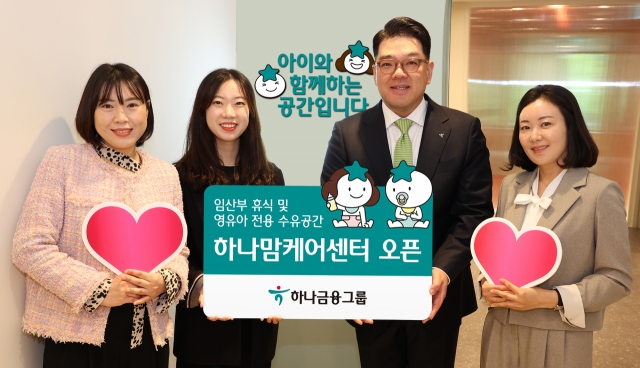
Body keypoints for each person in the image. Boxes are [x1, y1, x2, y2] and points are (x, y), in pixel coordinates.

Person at [321, 16, 494, 368]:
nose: (399, 73)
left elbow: (473, 212)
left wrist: (442, 270)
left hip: (438, 295)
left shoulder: (463, 130)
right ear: (375, 71)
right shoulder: (347, 132)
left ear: (428, 70)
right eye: (387, 63)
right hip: (371, 296)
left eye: (411, 62)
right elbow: (332, 210)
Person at [12, 63, 189, 367]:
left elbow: (178, 249)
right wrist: (103, 289)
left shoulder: (166, 174)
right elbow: (30, 247)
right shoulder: (63, 162)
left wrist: (164, 281)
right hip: (77, 339)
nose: (121, 117)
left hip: (148, 339)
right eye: (107, 105)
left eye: (132, 105)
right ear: (89, 112)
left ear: (147, 110)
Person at [479, 84, 633, 368]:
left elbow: (617, 278)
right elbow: (499, 251)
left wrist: (549, 298)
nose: (534, 136)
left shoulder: (600, 193)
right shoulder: (513, 186)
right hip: (500, 327)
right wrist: (485, 283)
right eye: (525, 127)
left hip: (559, 334)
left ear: (570, 127)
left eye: (546, 124)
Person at [173, 68, 284, 368]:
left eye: (239, 103)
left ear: (251, 111)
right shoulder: (177, 176)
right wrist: (200, 285)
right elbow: (173, 253)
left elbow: (279, 248)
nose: (229, 112)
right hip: (203, 329)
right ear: (203, 110)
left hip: (258, 328)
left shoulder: (271, 177)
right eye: (218, 103)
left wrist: (279, 291)